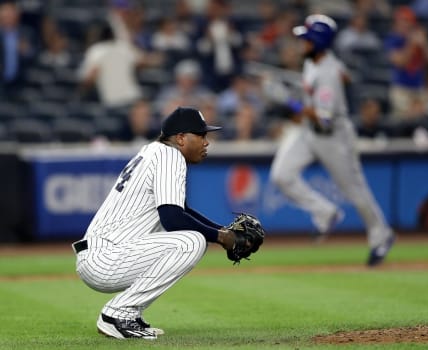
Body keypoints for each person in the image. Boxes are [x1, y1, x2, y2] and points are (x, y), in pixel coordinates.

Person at [72, 107, 242, 339]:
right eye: (201, 135)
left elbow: (181, 210)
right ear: (181, 138)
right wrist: (221, 237)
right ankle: (117, 314)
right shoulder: (169, 156)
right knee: (192, 242)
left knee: (193, 237)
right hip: (107, 258)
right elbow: (172, 218)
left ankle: (128, 315)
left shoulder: (155, 151)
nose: (206, 142)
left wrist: (222, 231)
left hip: (106, 253)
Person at [269, 14, 395, 266]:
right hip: (309, 132)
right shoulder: (315, 62)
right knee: (282, 175)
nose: (301, 43)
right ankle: (324, 212)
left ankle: (381, 235)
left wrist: (288, 101)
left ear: (317, 42)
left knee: (355, 191)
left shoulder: (328, 73)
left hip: (333, 137)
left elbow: (324, 119)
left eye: (306, 39)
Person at [384, 6, 428, 120]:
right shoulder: (392, 39)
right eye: (402, 21)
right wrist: (411, 44)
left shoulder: (419, 40)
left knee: (423, 122)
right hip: (401, 89)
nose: (405, 25)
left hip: (419, 88)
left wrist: (425, 43)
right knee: (403, 122)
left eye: (408, 22)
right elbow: (401, 62)